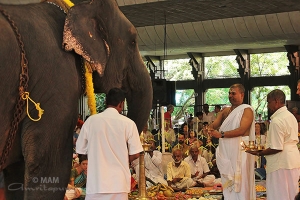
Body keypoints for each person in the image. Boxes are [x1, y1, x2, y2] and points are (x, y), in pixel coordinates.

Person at [76, 88, 143, 200]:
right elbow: (136, 154)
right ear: (121, 104)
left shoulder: (90, 122)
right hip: (119, 184)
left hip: (96, 183)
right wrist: (122, 160)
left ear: (106, 102)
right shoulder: (129, 124)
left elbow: (80, 150)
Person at [248, 89, 300, 200]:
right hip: (292, 161)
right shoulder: (290, 116)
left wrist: (259, 152)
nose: (267, 105)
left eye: (268, 102)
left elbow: (276, 147)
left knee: (279, 195)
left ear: (276, 101)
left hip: (280, 163)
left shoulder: (277, 120)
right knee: (292, 193)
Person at [208, 83, 256, 200]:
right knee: (228, 181)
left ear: (242, 94)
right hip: (227, 151)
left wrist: (221, 134)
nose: (230, 95)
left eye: (233, 93)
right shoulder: (225, 111)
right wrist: (209, 129)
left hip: (240, 151)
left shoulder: (247, 110)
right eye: (229, 93)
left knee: (242, 181)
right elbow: (214, 124)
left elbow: (242, 130)